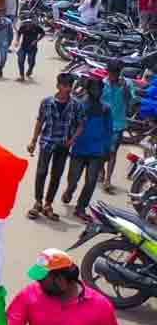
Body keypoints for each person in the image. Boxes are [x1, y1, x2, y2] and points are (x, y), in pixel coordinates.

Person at [27, 73, 84, 221]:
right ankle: (38, 202)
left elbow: (81, 125)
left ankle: (48, 204)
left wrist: (72, 140)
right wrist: (33, 141)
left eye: (70, 86)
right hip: (47, 142)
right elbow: (40, 121)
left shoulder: (76, 105)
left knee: (56, 175)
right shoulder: (46, 102)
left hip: (63, 145)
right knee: (41, 172)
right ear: (58, 86)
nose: (68, 89)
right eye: (65, 86)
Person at [59, 78, 111, 222]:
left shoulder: (105, 109)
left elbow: (109, 130)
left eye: (99, 89)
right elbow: (70, 124)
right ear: (88, 90)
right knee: (73, 179)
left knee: (91, 182)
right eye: (94, 89)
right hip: (79, 149)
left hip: (97, 151)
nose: (97, 92)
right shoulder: (79, 106)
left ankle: (81, 207)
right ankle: (69, 191)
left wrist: (107, 149)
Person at [101, 61, 133, 193]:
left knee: (112, 152)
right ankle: (101, 170)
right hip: (102, 123)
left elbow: (130, 101)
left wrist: (125, 89)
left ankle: (107, 180)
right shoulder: (103, 84)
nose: (113, 76)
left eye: (116, 73)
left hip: (118, 124)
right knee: (101, 151)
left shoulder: (127, 84)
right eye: (111, 73)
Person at [0, 11, 15, 79]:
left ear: (3, 14)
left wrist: (9, 42)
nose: (0, 14)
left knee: (4, 58)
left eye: (1, 13)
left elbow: (11, 32)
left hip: (4, 42)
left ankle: (0, 68)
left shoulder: (8, 21)